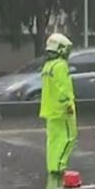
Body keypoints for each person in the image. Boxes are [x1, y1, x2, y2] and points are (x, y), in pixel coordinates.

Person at [40, 33, 77, 177]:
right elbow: (64, 88)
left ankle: (53, 166)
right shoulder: (60, 66)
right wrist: (68, 104)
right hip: (62, 110)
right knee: (69, 137)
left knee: (53, 140)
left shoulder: (47, 66)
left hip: (50, 110)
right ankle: (60, 166)